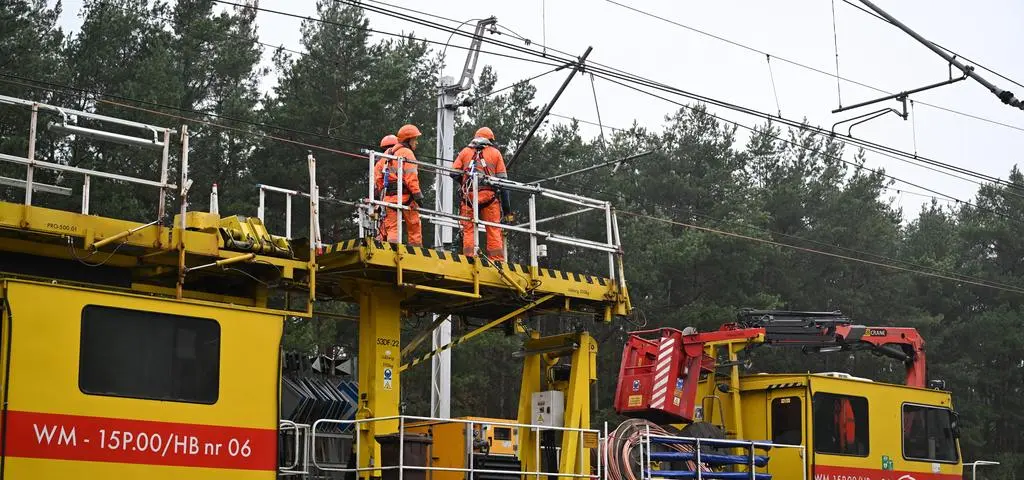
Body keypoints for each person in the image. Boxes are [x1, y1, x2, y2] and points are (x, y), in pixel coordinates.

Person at [451, 127, 511, 261]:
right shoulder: (495, 153)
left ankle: (469, 257)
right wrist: (507, 209)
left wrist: (465, 183)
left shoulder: (465, 152)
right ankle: (496, 260)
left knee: (468, 229)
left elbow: (453, 173)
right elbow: (503, 182)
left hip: (469, 198)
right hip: (489, 198)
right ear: (490, 140)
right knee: (493, 229)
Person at [375, 125, 424, 246]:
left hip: (389, 199)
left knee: (392, 228)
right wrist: (417, 195)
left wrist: (383, 193)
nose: (416, 142)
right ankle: (416, 251)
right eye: (415, 139)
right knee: (414, 226)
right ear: (409, 139)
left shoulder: (387, 154)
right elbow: (411, 178)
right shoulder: (407, 153)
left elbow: (377, 176)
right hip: (406, 198)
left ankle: (392, 250)